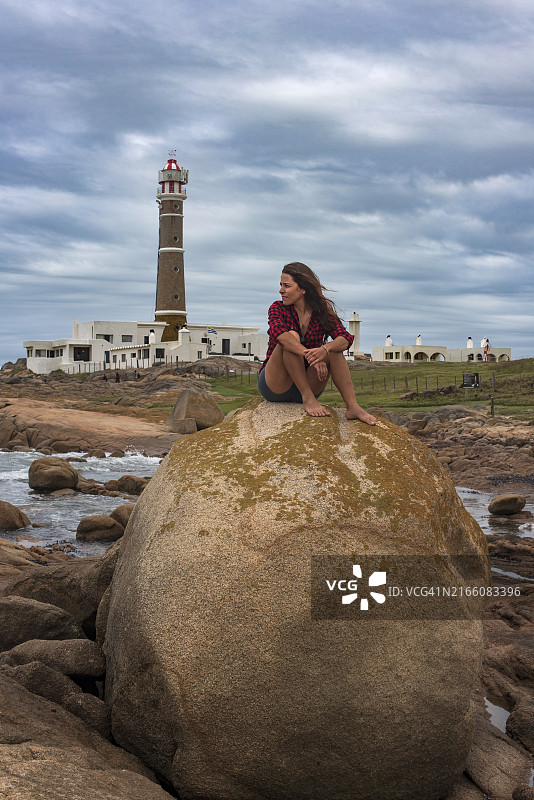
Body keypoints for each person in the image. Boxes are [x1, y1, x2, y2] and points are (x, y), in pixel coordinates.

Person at [257, 262, 376, 423]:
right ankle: (308, 399)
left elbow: (345, 338)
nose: (281, 290)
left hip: (309, 381)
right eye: (281, 285)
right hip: (276, 385)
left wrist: (325, 350)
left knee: (334, 349)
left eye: (286, 286)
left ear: (303, 288)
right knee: (291, 336)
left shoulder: (321, 312)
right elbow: (281, 336)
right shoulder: (277, 308)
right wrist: (310, 355)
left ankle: (352, 407)